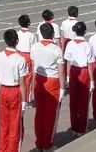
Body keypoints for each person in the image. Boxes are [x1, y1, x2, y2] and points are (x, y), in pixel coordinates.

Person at [30, 22, 65, 152]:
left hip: (39, 80)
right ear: (52, 34)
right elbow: (61, 70)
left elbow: (34, 66)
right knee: (50, 114)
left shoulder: (34, 47)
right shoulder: (56, 49)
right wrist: (62, 88)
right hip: (52, 80)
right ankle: (47, 144)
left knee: (39, 113)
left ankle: (39, 143)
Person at [0, 29, 29, 152]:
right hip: (15, 91)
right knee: (15, 126)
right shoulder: (20, 59)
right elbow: (23, 83)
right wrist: (25, 101)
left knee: (3, 124)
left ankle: (2, 149)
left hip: (3, 89)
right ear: (17, 41)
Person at [63, 21, 93, 137]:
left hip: (73, 72)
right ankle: (81, 128)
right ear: (85, 31)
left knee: (73, 101)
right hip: (84, 72)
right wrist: (92, 81)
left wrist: (68, 77)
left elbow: (68, 62)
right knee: (83, 102)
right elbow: (90, 64)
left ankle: (74, 127)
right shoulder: (87, 45)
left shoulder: (70, 44)